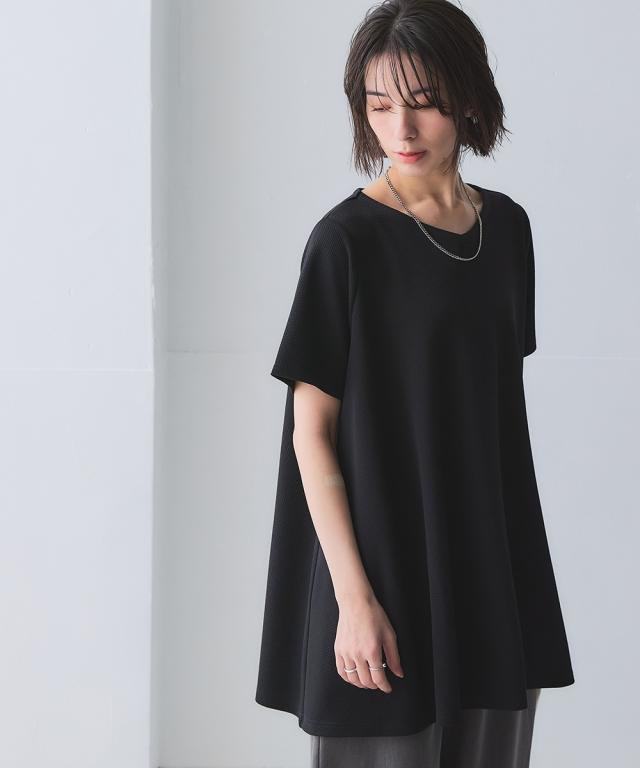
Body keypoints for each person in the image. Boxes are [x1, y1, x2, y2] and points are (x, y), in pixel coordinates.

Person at [255, 1, 575, 766]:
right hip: (383, 569)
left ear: (468, 99)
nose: (400, 128)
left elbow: (483, 417)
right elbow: (311, 434)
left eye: (424, 103)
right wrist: (354, 600)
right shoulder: (345, 242)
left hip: (489, 568)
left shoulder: (508, 231)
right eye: (379, 106)